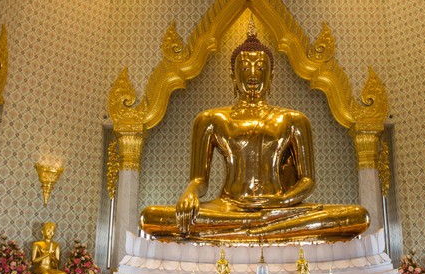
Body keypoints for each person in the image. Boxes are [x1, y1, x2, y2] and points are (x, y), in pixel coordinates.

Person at [140, 23, 369, 244]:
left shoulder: (293, 120)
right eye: (245, 67)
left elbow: (307, 181)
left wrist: (280, 201)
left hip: (280, 208)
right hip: (229, 208)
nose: (252, 74)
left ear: (270, 76)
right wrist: (189, 193)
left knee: (357, 216)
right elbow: (199, 180)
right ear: (233, 74)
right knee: (150, 217)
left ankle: (254, 228)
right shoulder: (211, 119)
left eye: (260, 68)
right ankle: (263, 229)